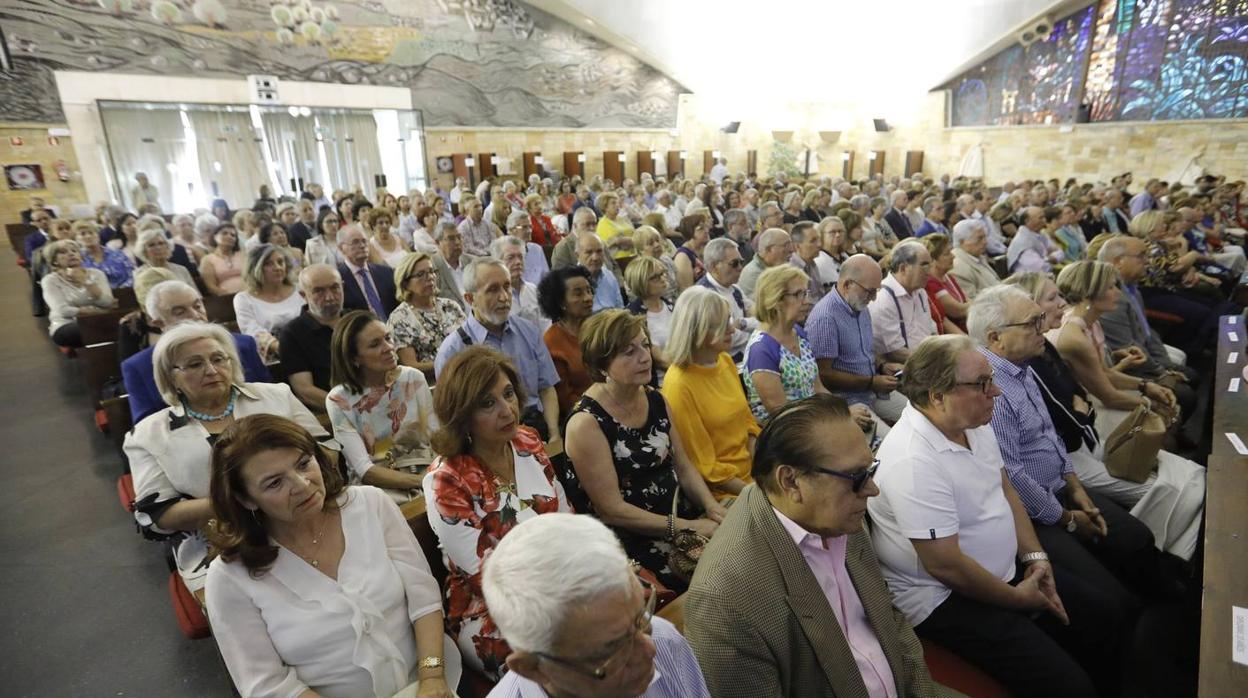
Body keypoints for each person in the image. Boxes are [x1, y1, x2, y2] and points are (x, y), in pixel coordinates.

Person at [870, 336, 1100, 697]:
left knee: (1101, 616)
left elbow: (1004, 489)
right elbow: (946, 567)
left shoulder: (972, 423)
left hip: (1002, 569)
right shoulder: (913, 462)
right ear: (937, 396)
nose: (996, 392)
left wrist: (1035, 557)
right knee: (1072, 686)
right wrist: (1018, 600)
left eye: (991, 378)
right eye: (982, 384)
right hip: (943, 598)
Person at [684, 394, 952, 698]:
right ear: (791, 482)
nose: (872, 489)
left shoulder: (837, 514)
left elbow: (890, 618)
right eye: (857, 477)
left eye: (871, 469)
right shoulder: (725, 602)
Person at [205, 415, 461, 698]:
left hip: (428, 681)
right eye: (275, 483)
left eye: (304, 463)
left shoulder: (370, 505)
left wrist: (433, 675)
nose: (302, 484)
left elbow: (423, 600)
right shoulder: (229, 577)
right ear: (246, 499)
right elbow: (268, 685)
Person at [968, 285, 1166, 609]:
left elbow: (1050, 434)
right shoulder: (993, 390)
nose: (1042, 328)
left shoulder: (1023, 368)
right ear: (995, 338)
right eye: (1032, 322)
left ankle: (1162, 608)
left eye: (1040, 319)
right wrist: (1068, 518)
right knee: (1110, 600)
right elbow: (1013, 477)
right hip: (1035, 515)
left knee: (1136, 539)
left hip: (1062, 488)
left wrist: (1076, 487)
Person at [124, 323, 326, 593]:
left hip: (306, 517)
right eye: (195, 364)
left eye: (218, 358)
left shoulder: (278, 395)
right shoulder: (148, 435)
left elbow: (327, 453)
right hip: (220, 546)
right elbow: (158, 515)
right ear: (171, 377)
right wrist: (244, 501)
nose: (211, 370)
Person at [423, 347, 573, 678]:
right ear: (462, 416)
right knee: (574, 657)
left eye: (508, 394)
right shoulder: (446, 480)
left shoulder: (527, 442)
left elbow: (567, 522)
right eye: (487, 404)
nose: (507, 410)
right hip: (493, 609)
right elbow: (486, 577)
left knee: (639, 603)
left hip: (563, 579)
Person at [1042, 264, 1205, 561]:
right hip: (1093, 414)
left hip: (1092, 403)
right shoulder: (1072, 333)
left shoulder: (1090, 321)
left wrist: (1146, 387)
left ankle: (1172, 541)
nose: (1118, 293)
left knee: (1175, 453)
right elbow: (1104, 392)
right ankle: (1162, 544)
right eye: (1111, 287)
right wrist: (1147, 399)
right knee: (1167, 455)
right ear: (1091, 293)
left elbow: (1104, 374)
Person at [561, 309, 727, 589]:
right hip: (633, 540)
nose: (644, 356)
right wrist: (687, 526)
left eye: (645, 345)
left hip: (680, 518)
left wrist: (710, 506)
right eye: (629, 351)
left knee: (749, 541)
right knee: (725, 572)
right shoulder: (586, 424)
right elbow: (613, 511)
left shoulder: (655, 398)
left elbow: (683, 467)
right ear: (602, 365)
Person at [483, 513, 712, 698]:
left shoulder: (664, 639)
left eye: (641, 616)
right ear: (533, 668)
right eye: (613, 650)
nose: (650, 649)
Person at [435, 259, 563, 452]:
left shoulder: (528, 331)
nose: (504, 297)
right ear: (470, 299)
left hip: (536, 431)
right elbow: (452, 421)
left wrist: (554, 435)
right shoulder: (453, 350)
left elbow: (546, 389)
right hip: (486, 445)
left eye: (506, 286)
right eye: (492, 290)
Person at [661, 287, 761, 501]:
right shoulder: (679, 384)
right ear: (699, 330)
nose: (732, 330)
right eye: (722, 325)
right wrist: (756, 493)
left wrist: (761, 471)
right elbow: (705, 467)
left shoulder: (724, 360)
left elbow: (747, 423)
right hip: (725, 493)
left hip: (753, 475)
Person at [122, 280, 269, 423]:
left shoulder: (243, 344)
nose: (195, 315)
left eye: (197, 306)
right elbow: (146, 425)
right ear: (159, 323)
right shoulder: (138, 367)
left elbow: (266, 394)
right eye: (180, 312)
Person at [327, 311, 437, 501]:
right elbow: (365, 470)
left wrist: (441, 474)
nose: (389, 348)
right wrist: (424, 482)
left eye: (388, 338)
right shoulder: (339, 400)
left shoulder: (412, 378)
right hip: (378, 489)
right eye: (375, 344)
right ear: (354, 358)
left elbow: (437, 437)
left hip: (427, 469)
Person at [1096, 236, 1199, 418]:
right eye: (1141, 256)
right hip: (1131, 368)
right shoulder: (1112, 298)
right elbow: (1128, 348)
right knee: (1186, 394)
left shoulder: (1131, 288)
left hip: (1146, 360)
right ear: (1119, 262)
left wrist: (1165, 366)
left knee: (1190, 376)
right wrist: (1161, 373)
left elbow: (1147, 333)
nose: (1147, 261)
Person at [807, 254, 902, 430]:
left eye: (876, 291)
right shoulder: (826, 317)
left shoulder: (859, 304)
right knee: (889, 443)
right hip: (848, 401)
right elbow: (825, 375)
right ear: (847, 284)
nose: (873, 298)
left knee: (918, 417)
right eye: (870, 291)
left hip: (872, 390)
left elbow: (866, 349)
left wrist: (882, 366)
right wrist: (871, 381)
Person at [743, 265, 828, 420]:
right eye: (798, 294)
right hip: (789, 432)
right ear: (776, 300)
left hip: (813, 419)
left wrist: (843, 411)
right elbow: (782, 414)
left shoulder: (797, 331)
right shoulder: (762, 349)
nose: (807, 301)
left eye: (806, 293)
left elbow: (818, 388)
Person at [280, 264, 346, 416]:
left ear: (343, 287)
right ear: (303, 295)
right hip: (330, 414)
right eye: (319, 291)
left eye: (335, 288)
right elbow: (305, 391)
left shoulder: (357, 321)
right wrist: (350, 409)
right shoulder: (292, 333)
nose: (329, 297)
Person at [387, 252, 466, 375]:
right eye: (420, 274)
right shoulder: (399, 318)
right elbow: (411, 367)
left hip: (467, 374)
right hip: (433, 384)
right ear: (405, 283)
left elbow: (471, 343)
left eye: (431, 271)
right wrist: (451, 364)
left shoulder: (450, 306)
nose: (430, 277)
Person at [233, 245, 304, 364]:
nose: (277, 267)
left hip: (307, 347)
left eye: (280, 262)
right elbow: (252, 331)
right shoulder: (243, 299)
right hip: (272, 359)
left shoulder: (300, 290)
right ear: (256, 268)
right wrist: (283, 349)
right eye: (268, 264)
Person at [868, 241, 937, 362]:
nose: (929, 272)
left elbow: (931, 333)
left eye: (929, 266)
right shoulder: (883, 298)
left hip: (925, 359)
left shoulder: (920, 292)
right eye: (924, 266)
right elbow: (895, 353)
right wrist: (934, 360)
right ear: (903, 268)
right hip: (906, 366)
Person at [40, 240, 116, 347]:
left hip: (99, 320)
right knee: (90, 329)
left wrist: (86, 282)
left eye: (74, 251)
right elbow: (63, 311)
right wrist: (91, 312)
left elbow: (108, 302)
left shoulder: (97, 274)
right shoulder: (50, 280)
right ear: (54, 260)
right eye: (63, 252)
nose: (71, 254)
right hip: (66, 324)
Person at [697, 237, 755, 359]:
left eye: (741, 262)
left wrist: (743, 324)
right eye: (734, 263)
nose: (740, 268)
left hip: (746, 353)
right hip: (724, 359)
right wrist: (757, 331)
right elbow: (726, 337)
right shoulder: (704, 296)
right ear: (714, 267)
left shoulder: (734, 288)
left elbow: (757, 314)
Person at [624, 255, 674, 383]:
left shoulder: (671, 306)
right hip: (661, 382)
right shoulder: (633, 316)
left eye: (662, 273)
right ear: (641, 283)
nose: (663, 279)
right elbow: (661, 360)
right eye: (655, 277)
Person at [337, 224, 398, 321]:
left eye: (364, 241)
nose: (362, 246)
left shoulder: (386, 272)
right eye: (355, 242)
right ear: (341, 248)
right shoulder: (338, 279)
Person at [491, 235, 545, 330]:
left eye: (520, 257)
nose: (518, 262)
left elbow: (545, 325)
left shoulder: (533, 290)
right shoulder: (493, 296)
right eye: (511, 257)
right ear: (498, 262)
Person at [921, 234, 968, 334]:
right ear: (932, 260)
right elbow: (958, 310)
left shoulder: (948, 276)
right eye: (947, 254)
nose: (953, 256)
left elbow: (966, 300)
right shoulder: (930, 283)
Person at [948, 219, 1000, 300]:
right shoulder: (957, 267)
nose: (985, 242)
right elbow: (975, 304)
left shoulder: (976, 256)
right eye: (979, 238)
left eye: (985, 237)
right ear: (962, 242)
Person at [575, 232, 624, 311]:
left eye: (599, 251)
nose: (595, 258)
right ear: (577, 255)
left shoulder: (609, 275)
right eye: (589, 252)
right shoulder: (572, 282)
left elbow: (620, 307)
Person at [738, 227, 793, 298]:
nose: (791, 249)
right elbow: (769, 304)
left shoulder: (778, 266)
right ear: (769, 249)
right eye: (785, 245)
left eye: (790, 244)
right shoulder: (754, 274)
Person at [199, 223, 247, 296]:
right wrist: (227, 295)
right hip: (225, 298)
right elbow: (210, 286)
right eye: (224, 233)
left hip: (250, 294)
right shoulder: (207, 260)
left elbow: (253, 278)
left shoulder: (243, 255)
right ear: (215, 237)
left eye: (233, 235)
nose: (229, 236)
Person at [672, 213, 711, 291]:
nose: (706, 231)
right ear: (689, 232)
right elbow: (687, 290)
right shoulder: (683, 256)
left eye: (706, 227)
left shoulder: (705, 248)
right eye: (701, 229)